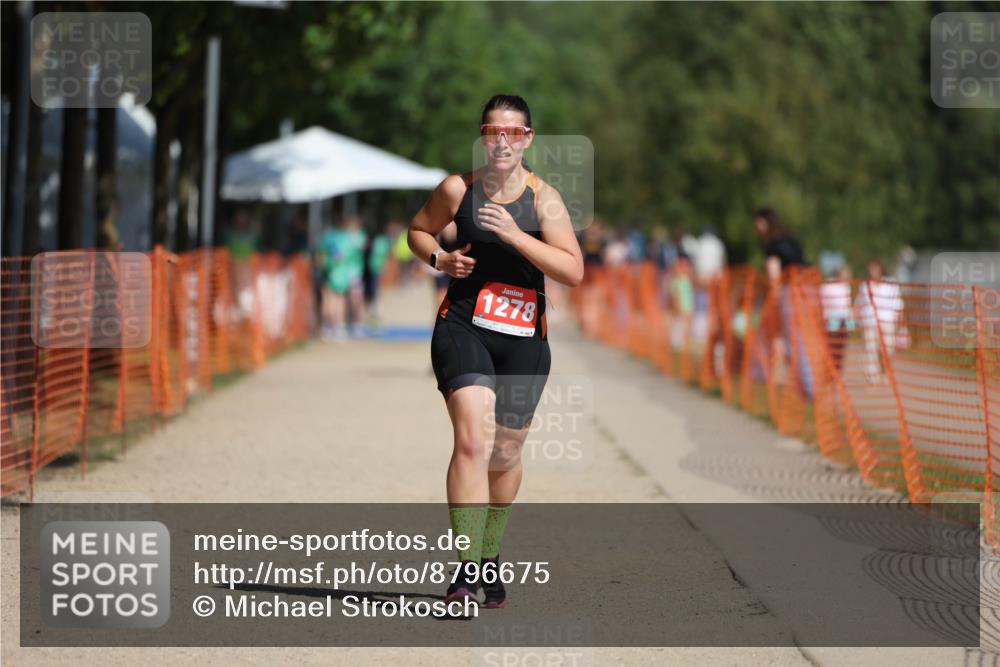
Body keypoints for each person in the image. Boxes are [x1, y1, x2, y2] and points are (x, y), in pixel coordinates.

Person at [407, 94, 583, 609]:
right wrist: (440, 258)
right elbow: (417, 231)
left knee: (505, 453)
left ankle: (489, 556)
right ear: (483, 136)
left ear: (528, 138)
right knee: (471, 442)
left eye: (513, 132)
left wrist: (515, 236)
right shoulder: (457, 189)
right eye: (492, 131)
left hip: (525, 338)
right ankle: (464, 571)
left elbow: (572, 271)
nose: (502, 141)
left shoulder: (544, 199)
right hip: (465, 326)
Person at [855, 259, 903, 384]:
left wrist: (900, 323)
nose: (874, 271)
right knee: (870, 349)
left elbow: (898, 303)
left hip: (888, 321)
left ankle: (885, 371)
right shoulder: (865, 285)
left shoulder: (891, 283)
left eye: (876, 268)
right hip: (870, 322)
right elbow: (859, 303)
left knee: (887, 350)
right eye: (871, 268)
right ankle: (873, 376)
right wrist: (856, 319)